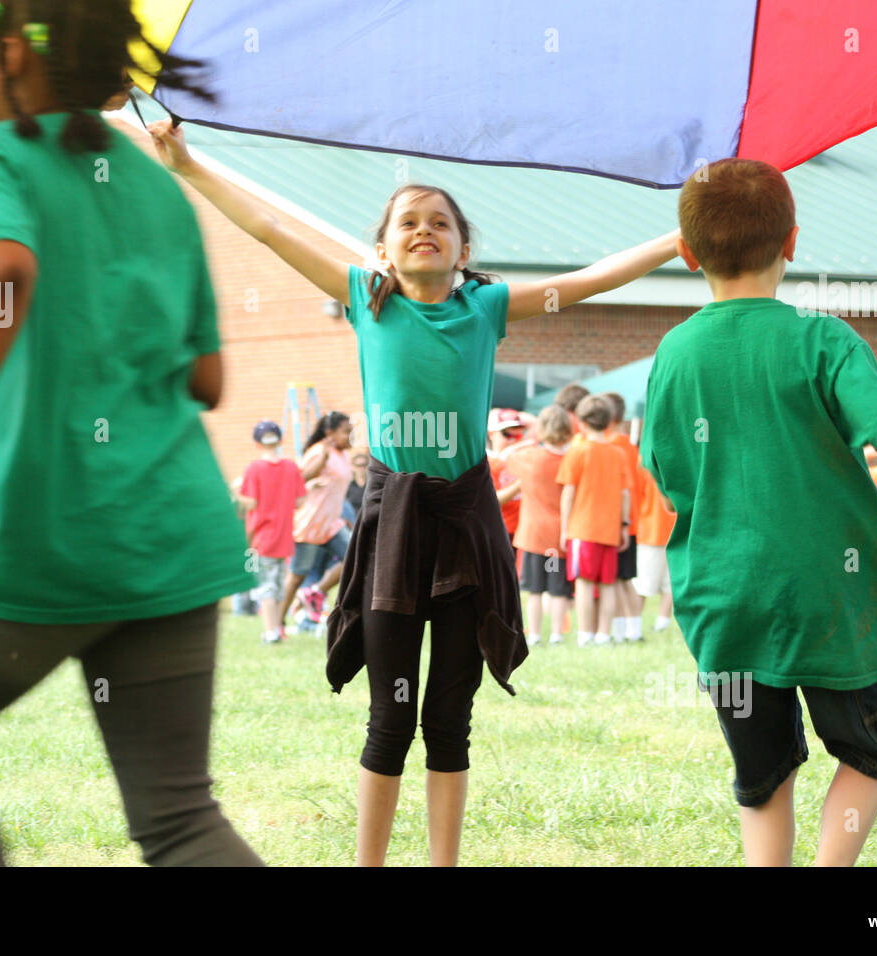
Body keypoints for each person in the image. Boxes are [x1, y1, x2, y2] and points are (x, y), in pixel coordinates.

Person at [149, 120, 678, 864]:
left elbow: (587, 282)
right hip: (393, 524)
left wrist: (670, 243)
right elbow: (267, 227)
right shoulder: (368, 300)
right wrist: (186, 163)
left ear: (465, 251)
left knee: (449, 719)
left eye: (441, 224)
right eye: (408, 222)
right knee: (389, 719)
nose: (424, 231)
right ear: (383, 249)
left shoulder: (484, 309)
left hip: (465, 521)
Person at [0, 0, 261, 866]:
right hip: (172, 530)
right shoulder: (154, 181)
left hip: (52, 523)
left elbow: (1, 271)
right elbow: (210, 378)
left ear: (11, 52)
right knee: (179, 818)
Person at [642, 157, 877, 867]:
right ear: (792, 241)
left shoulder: (673, 353)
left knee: (763, 775)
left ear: (687, 254)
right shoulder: (824, 338)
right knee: (873, 750)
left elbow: (665, 471)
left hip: (724, 598)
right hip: (833, 597)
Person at [558, 395, 629, 648]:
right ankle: (603, 635)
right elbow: (624, 493)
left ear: (581, 421)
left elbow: (569, 493)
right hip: (610, 528)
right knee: (608, 584)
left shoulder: (577, 452)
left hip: (582, 528)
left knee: (584, 584)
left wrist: (564, 529)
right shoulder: (618, 453)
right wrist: (625, 525)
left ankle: (585, 634)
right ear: (609, 421)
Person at [508, 404, 573, 646]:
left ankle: (534, 634)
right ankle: (557, 633)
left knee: (534, 590)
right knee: (558, 589)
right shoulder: (570, 460)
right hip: (557, 537)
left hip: (533, 534)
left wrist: (530, 435)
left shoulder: (530, 458)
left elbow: (507, 457)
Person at [237, 421, 307, 644]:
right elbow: (301, 500)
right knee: (277, 586)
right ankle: (276, 629)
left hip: (260, 538)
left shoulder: (254, 469)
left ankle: (271, 632)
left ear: (257, 443)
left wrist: (233, 491)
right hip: (284, 537)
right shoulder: (291, 467)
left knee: (265, 586)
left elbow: (250, 503)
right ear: (280, 440)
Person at [283, 411, 354, 628]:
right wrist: (322, 458)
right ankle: (276, 623)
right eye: (346, 432)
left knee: (355, 557)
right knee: (296, 576)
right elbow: (299, 479)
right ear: (330, 433)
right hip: (310, 523)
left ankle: (315, 592)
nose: (350, 436)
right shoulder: (319, 452)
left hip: (331, 523)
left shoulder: (342, 454)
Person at [601, 392, 643, 642]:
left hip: (615, 520)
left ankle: (619, 630)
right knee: (626, 579)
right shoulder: (631, 446)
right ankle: (634, 628)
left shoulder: (607, 446)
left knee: (615, 580)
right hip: (633, 519)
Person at [632, 457, 676, 634]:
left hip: (650, 529)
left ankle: (634, 623)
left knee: (642, 584)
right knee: (670, 583)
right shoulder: (679, 456)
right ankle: (662, 622)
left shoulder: (644, 461)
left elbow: (636, 495)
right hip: (675, 529)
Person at [487, 408, 532, 547]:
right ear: (491, 434)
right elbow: (493, 500)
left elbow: (538, 424)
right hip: (500, 532)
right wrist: (520, 484)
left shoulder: (525, 456)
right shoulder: (485, 461)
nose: (513, 440)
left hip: (524, 532)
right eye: (507, 434)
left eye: (517, 436)